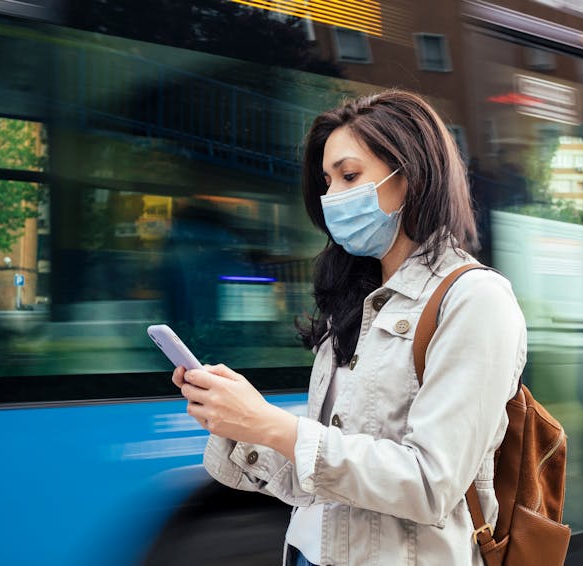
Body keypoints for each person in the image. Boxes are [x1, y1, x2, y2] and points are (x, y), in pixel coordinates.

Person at [172, 90, 527, 565]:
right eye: (326, 181)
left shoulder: (475, 300)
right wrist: (242, 424)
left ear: (412, 175)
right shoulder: (354, 304)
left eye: (350, 176)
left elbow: (430, 485)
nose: (331, 197)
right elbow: (324, 478)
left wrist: (275, 426)